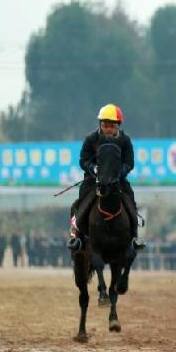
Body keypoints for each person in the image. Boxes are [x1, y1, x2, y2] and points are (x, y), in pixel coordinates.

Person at [67, 104, 144, 252]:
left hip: (118, 181)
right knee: (79, 205)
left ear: (118, 126)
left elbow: (129, 163)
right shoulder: (91, 139)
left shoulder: (125, 140)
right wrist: (94, 169)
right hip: (93, 181)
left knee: (130, 200)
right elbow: (83, 160)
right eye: (105, 125)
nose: (108, 129)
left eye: (112, 126)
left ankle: (134, 238)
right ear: (100, 124)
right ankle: (77, 236)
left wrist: (117, 174)